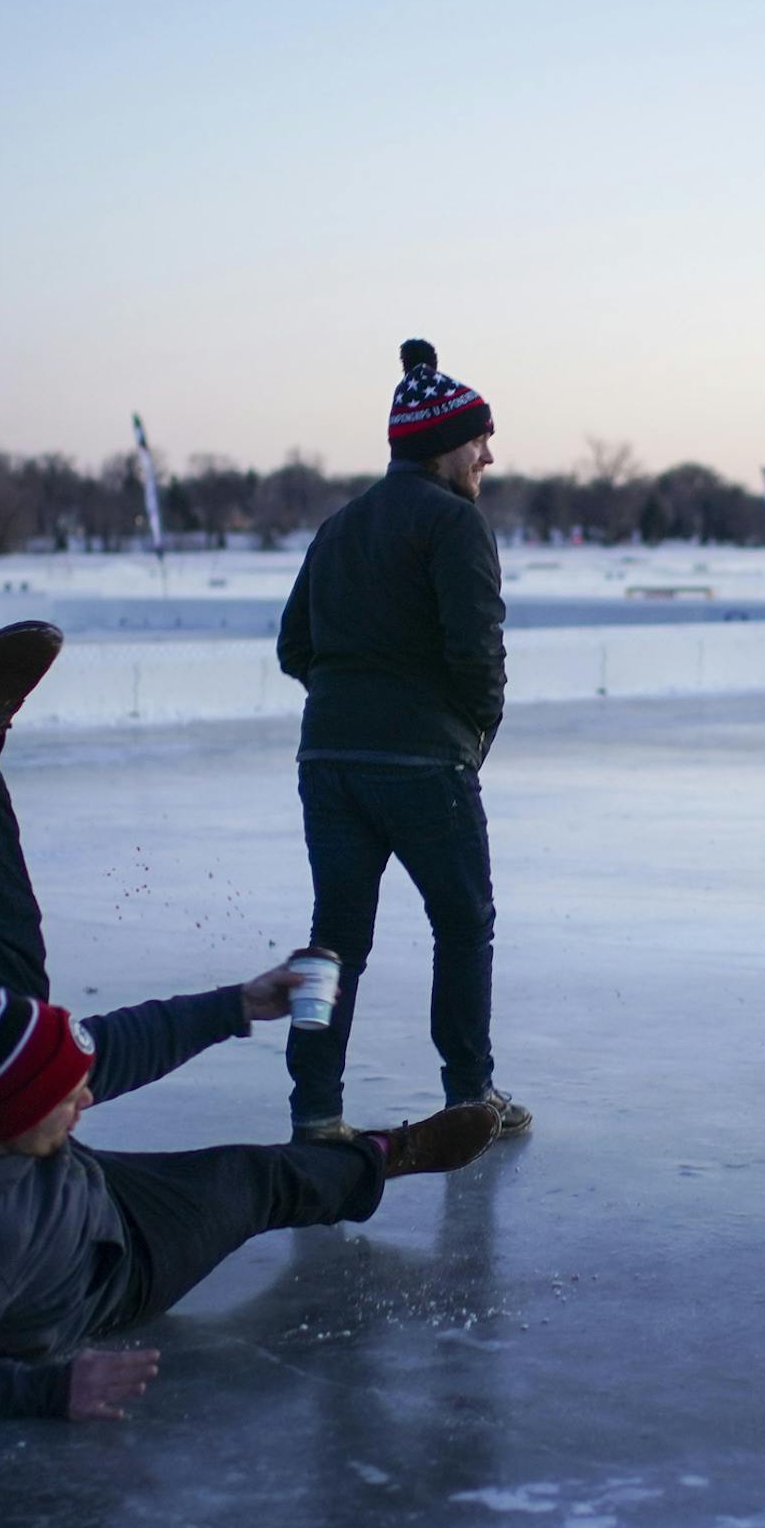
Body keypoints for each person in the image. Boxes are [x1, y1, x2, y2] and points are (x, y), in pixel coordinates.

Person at [0, 622, 500, 1421]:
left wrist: (239, 1004)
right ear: (14, 1125)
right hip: (110, 1266)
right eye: (68, 1100)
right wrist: (51, 1390)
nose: (86, 1101)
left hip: (48, 1177)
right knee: (254, 1180)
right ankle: (378, 1155)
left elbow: (113, 1051)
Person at [276, 339, 529, 1142]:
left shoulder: (339, 526)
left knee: (335, 939)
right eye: (478, 438)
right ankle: (469, 1097)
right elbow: (476, 650)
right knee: (463, 924)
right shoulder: (455, 525)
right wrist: (474, 727)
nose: (489, 452)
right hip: (423, 765)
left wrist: (350, 704)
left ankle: (315, 1110)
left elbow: (293, 647)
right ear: (440, 446)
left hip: (330, 764)